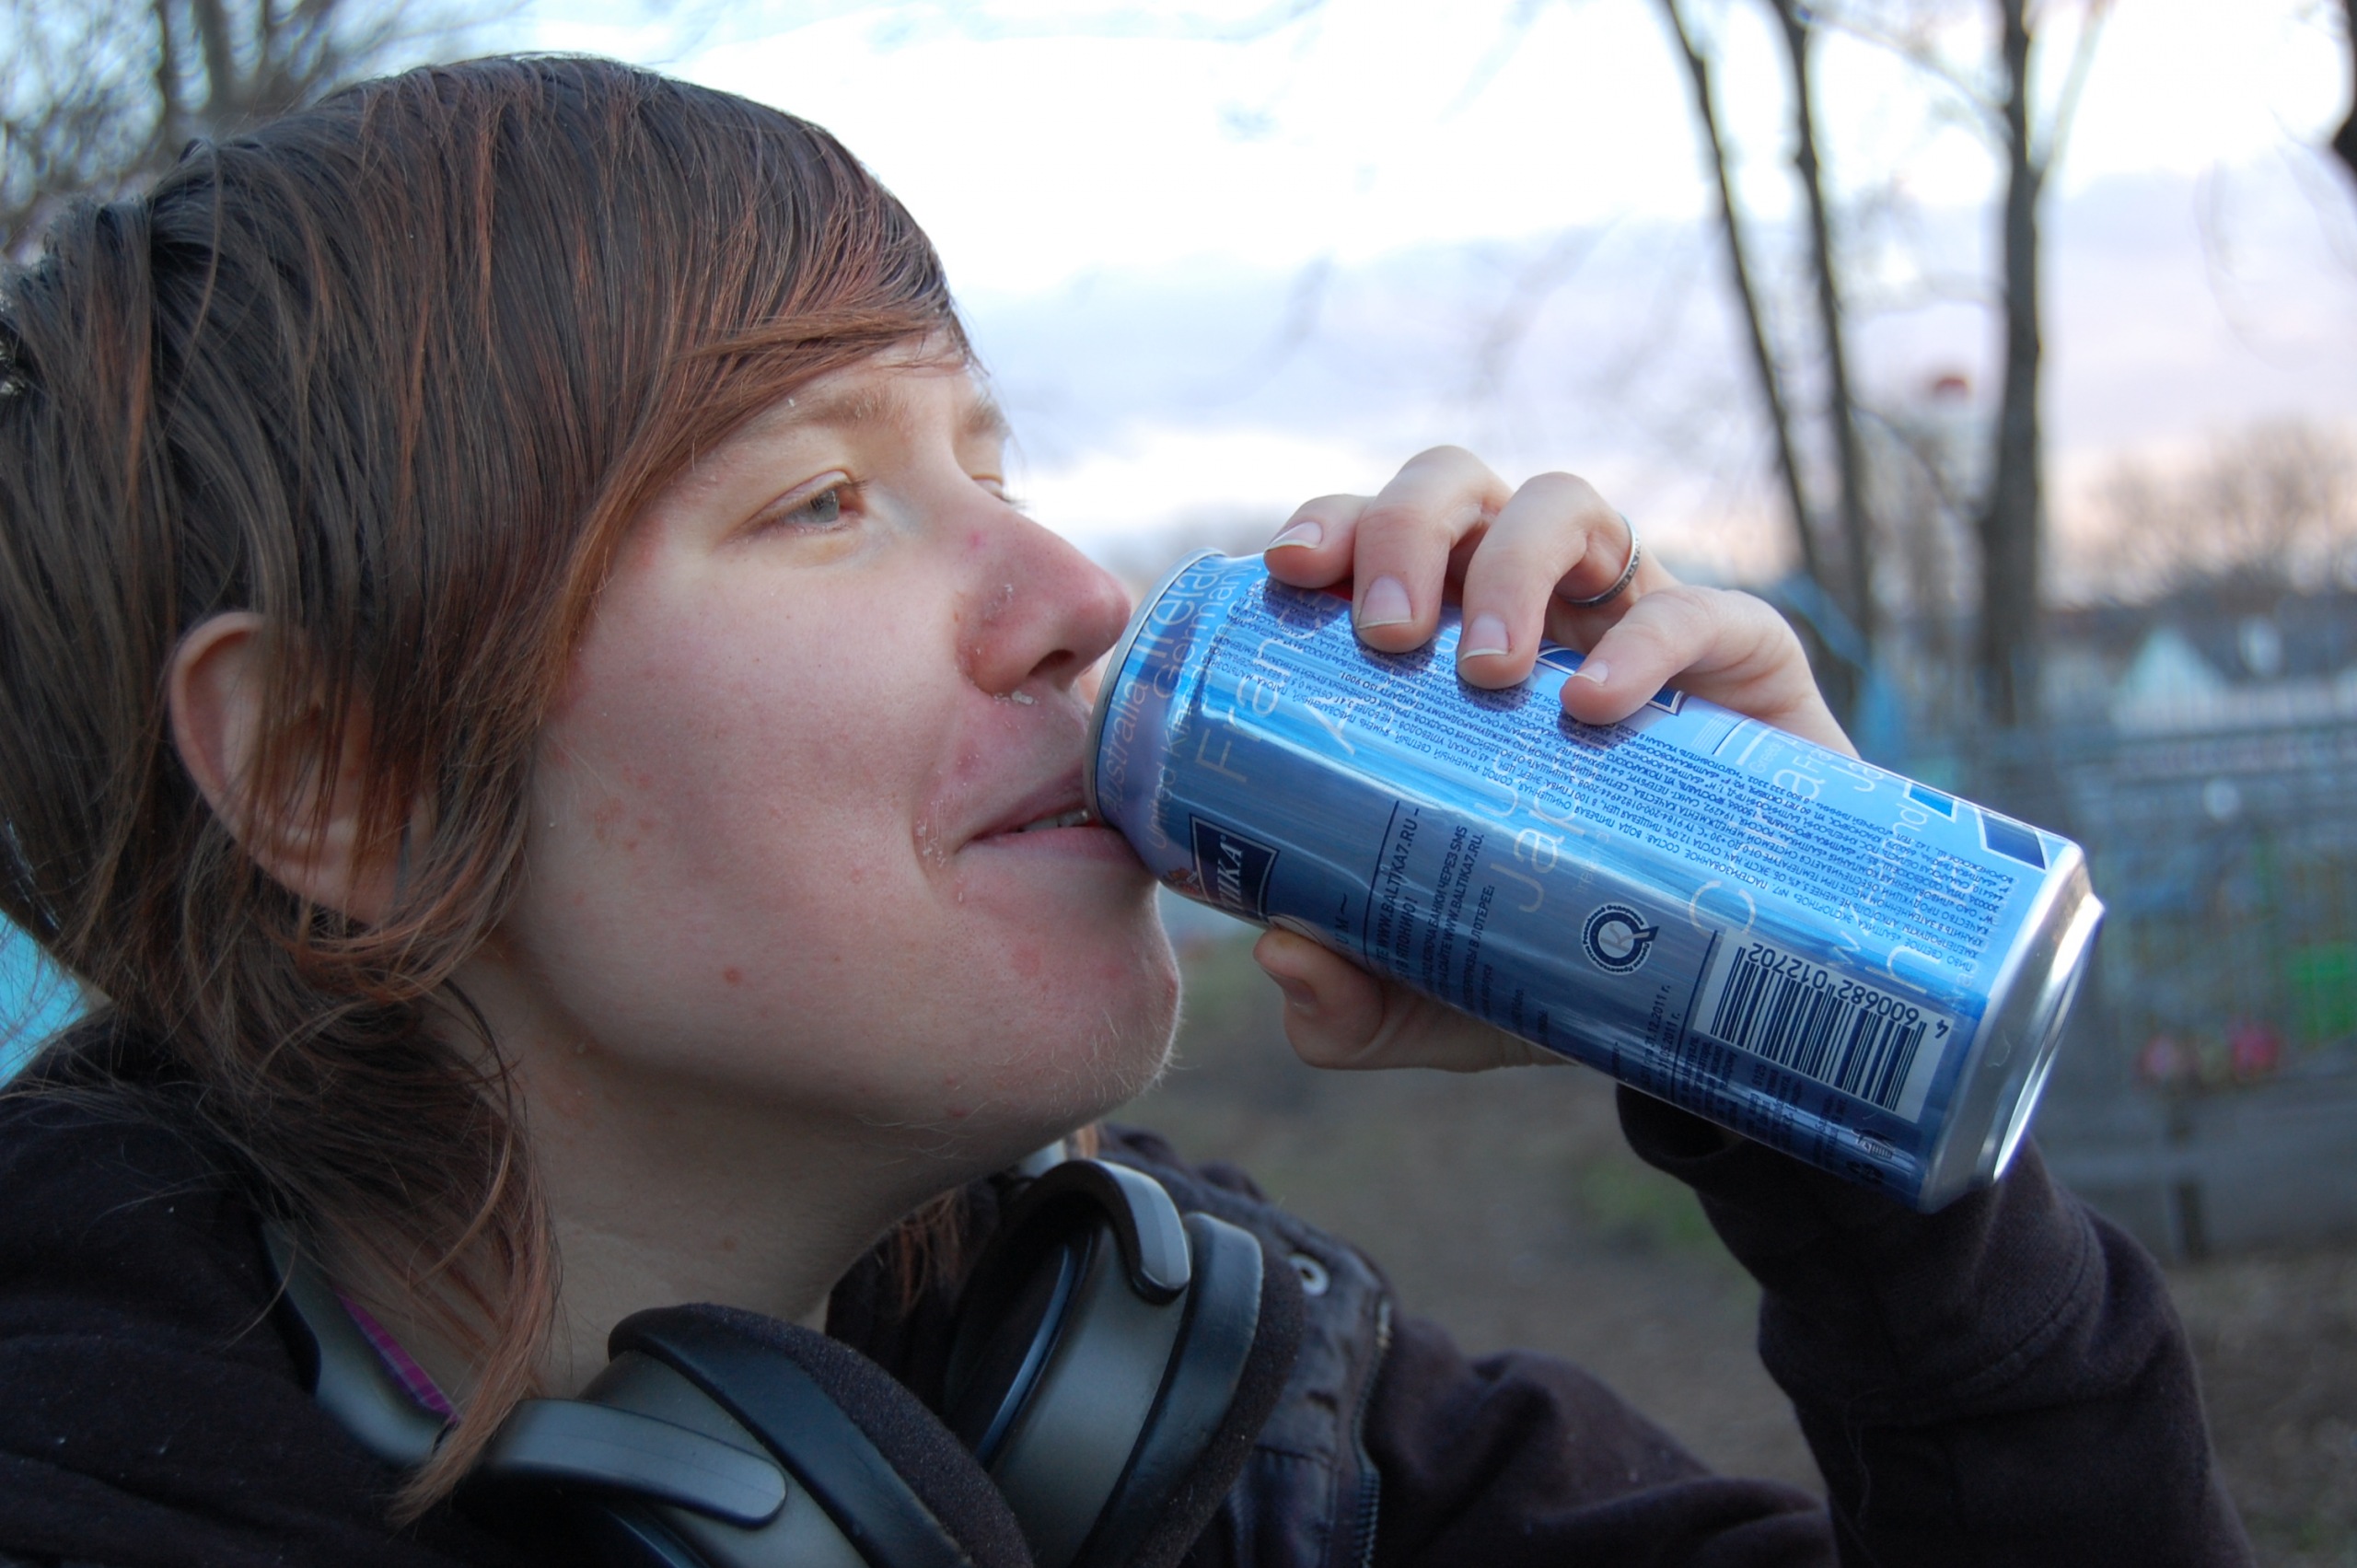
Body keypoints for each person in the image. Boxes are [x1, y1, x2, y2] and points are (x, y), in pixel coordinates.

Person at [0, 54, 2248, 1568]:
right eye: (817, 500)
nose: (1075, 594)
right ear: (343, 779)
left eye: (989, 462)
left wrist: (1806, 1047)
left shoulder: (1215, 1409)